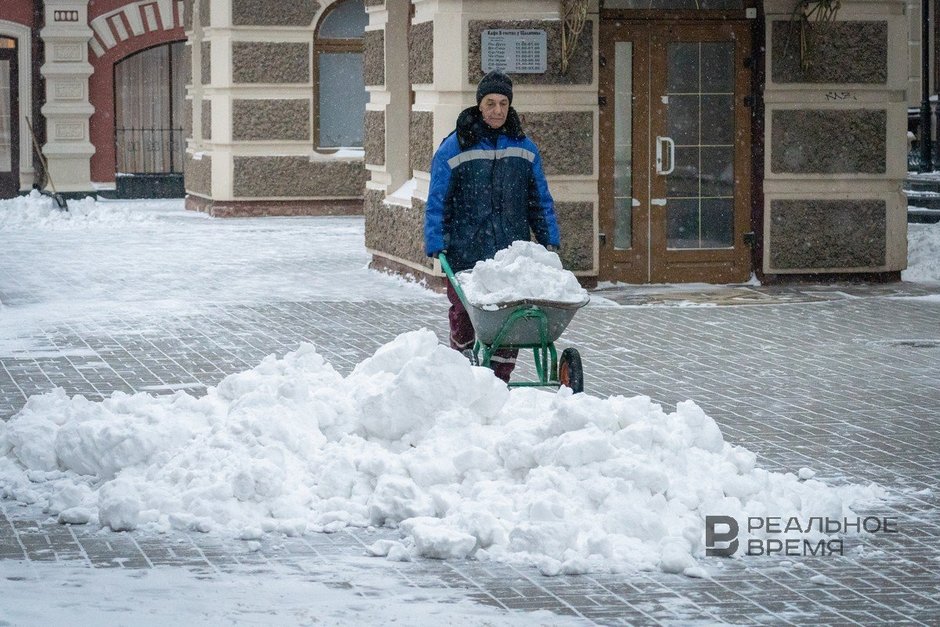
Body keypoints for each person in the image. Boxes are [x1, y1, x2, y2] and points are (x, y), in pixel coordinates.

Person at [423, 70, 560, 383]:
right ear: (479, 105)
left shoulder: (524, 148)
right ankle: (461, 360)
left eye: (503, 103)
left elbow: (539, 199)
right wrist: (436, 241)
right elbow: (438, 199)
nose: (497, 110)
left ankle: (499, 379)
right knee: (464, 313)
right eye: (490, 103)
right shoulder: (455, 147)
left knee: (508, 317)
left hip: (508, 252)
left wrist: (548, 237)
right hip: (464, 248)